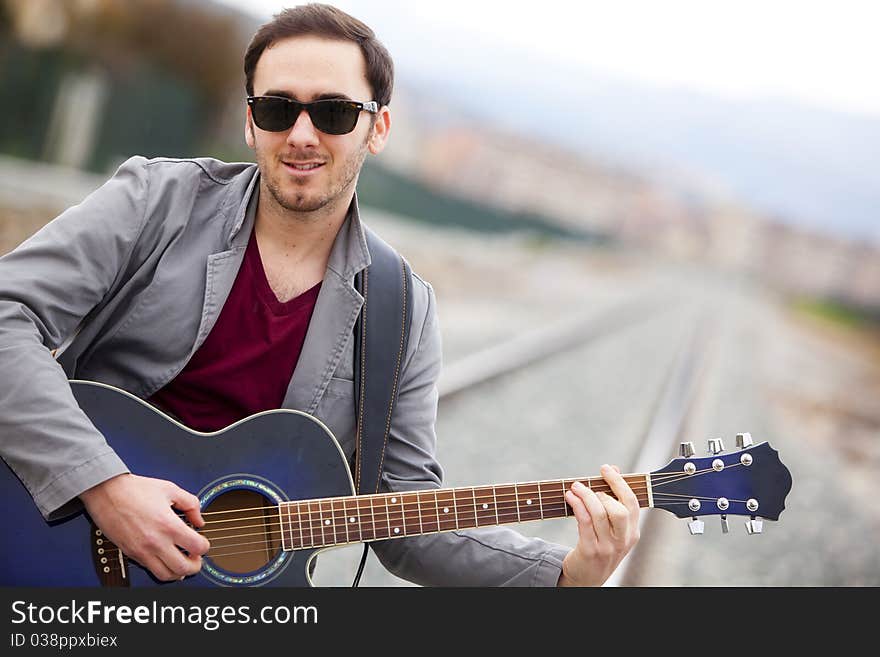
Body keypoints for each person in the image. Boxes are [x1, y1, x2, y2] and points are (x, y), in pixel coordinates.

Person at [0, 3, 639, 586]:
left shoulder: (404, 313)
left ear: (377, 128)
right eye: (278, 109)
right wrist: (106, 486)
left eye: (332, 112)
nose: (302, 134)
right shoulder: (154, 202)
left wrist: (565, 574)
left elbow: (404, 518)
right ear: (251, 123)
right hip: (53, 554)